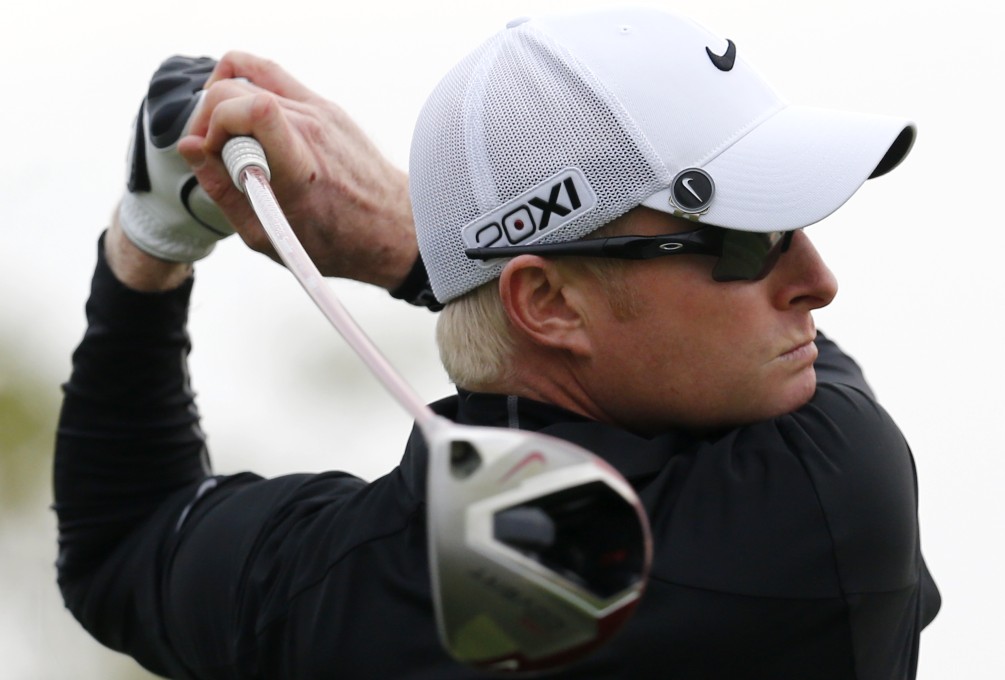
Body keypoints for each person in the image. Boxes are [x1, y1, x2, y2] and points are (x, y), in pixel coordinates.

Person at [54, 7, 940, 679]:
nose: (817, 284)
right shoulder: (820, 505)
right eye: (748, 241)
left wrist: (151, 238)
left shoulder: (350, 587)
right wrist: (408, 237)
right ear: (548, 304)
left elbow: (122, 540)